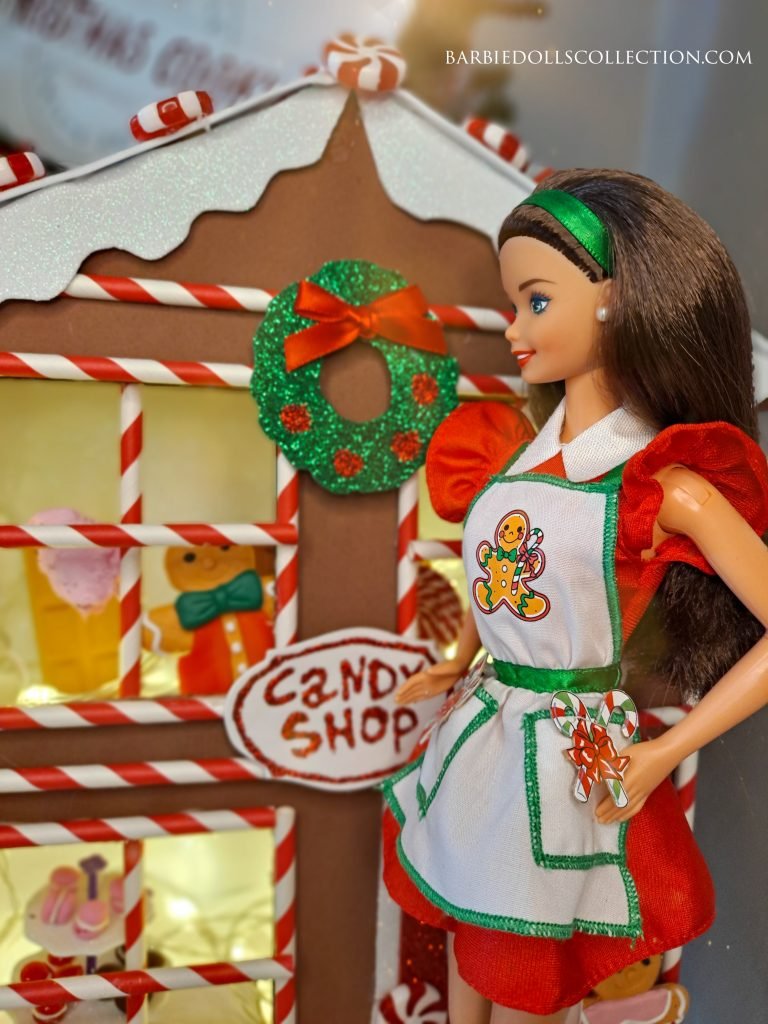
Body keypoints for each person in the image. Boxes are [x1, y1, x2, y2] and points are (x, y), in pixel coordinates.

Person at [381, 168, 768, 1024]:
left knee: (523, 963)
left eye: (535, 301)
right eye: (512, 304)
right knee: (468, 937)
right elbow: (511, 583)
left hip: (565, 755)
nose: (514, 329)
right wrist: (460, 657)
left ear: (614, 300)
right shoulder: (519, 456)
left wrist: (668, 751)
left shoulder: (659, 484)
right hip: (484, 729)